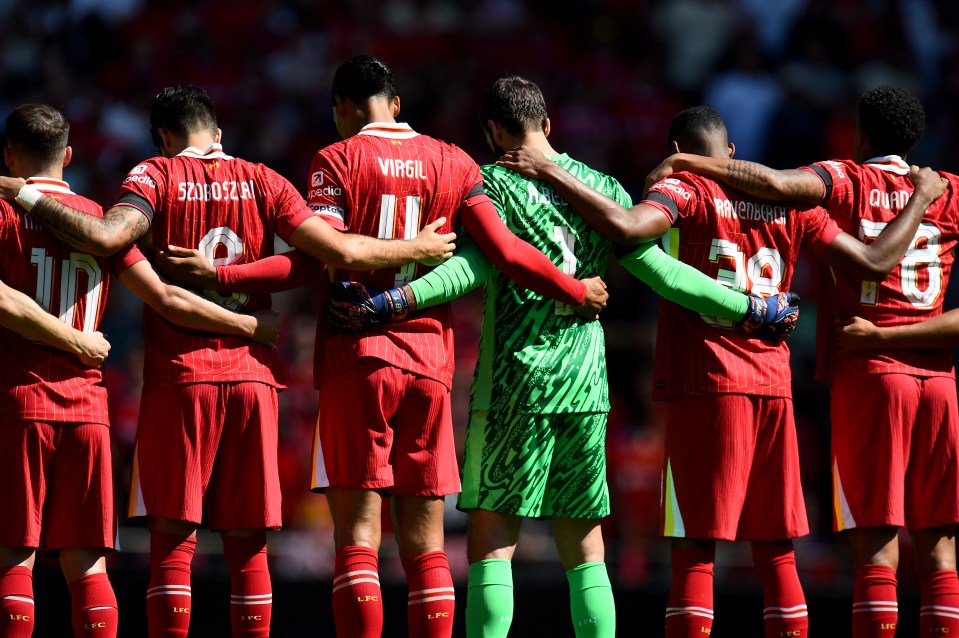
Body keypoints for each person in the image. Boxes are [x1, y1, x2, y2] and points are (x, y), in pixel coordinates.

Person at [152, 58, 613, 638]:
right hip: (432, 366)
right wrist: (576, 289)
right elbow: (504, 251)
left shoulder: (337, 159)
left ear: (342, 109)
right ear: (395, 104)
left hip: (358, 357)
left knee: (359, 542)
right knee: (427, 547)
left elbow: (318, 255)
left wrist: (228, 276)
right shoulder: (454, 160)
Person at [326, 78, 803, 638]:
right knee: (585, 548)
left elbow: (473, 268)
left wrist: (393, 300)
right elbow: (667, 276)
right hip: (585, 386)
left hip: (515, 384)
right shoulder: (601, 187)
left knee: (493, 544)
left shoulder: (490, 184)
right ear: (548, 125)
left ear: (494, 133)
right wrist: (749, 305)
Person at [0, 87, 454, 638]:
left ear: (164, 140)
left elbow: (119, 247)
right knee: (248, 551)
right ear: (217, 132)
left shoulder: (153, 176)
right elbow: (325, 256)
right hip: (254, 381)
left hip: (176, 379)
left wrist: (21, 194)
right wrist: (412, 250)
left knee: (169, 546)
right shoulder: (264, 179)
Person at [496, 104, 946, 638]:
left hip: (705, 384)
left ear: (677, 154)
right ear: (730, 152)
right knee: (777, 551)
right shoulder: (792, 204)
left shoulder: (686, 190)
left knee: (695, 549)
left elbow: (624, 225)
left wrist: (551, 169)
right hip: (775, 389)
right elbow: (870, 260)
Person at [644, 86, 959, 637]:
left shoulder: (842, 180)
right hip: (926, 381)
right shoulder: (948, 190)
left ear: (859, 136)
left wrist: (682, 164)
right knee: (932, 552)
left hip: (854, 375)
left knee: (870, 549)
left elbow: (772, 185)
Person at [0, 103, 283, 638]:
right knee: (88, 565)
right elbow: (166, 297)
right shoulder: (99, 219)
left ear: (9, 156)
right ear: (67, 154)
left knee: (14, 555)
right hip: (89, 413)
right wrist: (246, 326)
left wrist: (72, 339)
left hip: (19, 401)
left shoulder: (5, 211)